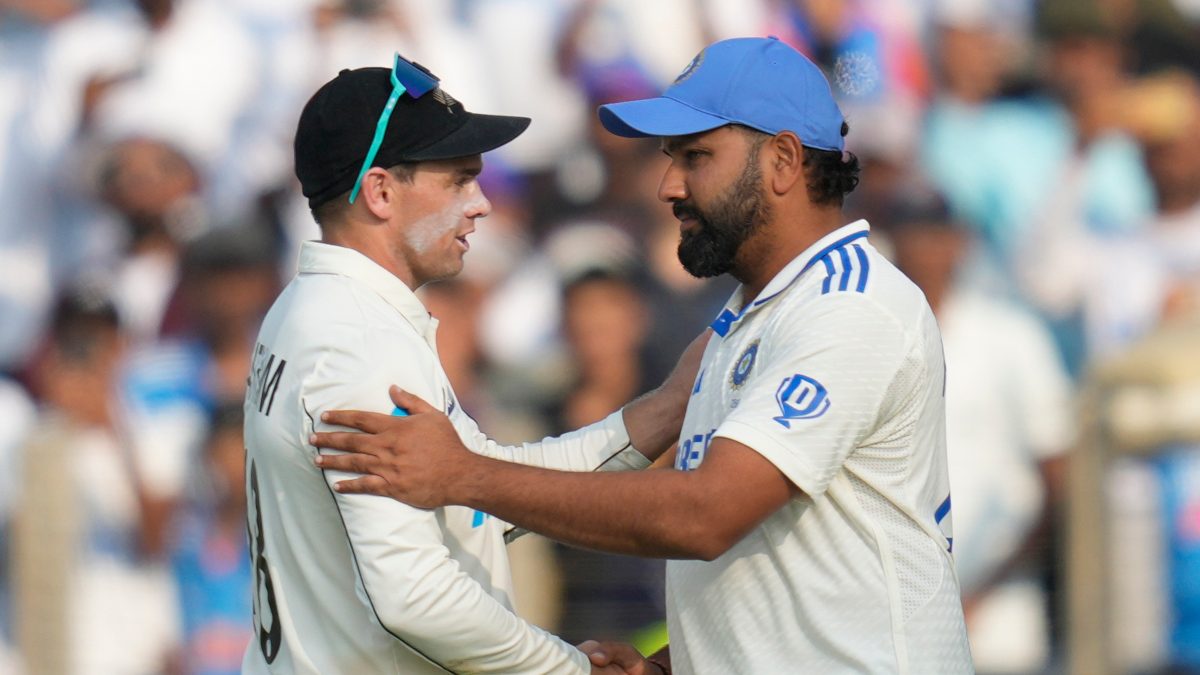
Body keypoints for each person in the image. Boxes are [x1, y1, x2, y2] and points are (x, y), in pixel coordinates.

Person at [314, 37, 973, 674]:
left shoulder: (850, 307)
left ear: (782, 160)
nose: (668, 186)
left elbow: (706, 514)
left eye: (696, 156)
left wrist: (466, 475)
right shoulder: (753, 316)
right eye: (670, 157)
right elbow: (787, 566)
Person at [243, 53, 701, 674]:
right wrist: (570, 669)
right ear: (380, 191)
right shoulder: (357, 340)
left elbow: (473, 494)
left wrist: (665, 409)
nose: (481, 204)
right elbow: (414, 598)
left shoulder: (307, 308)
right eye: (459, 180)